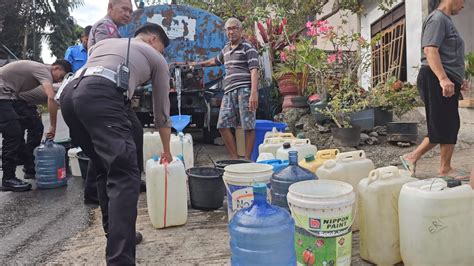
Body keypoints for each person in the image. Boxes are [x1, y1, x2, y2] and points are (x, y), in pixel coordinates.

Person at [59, 23, 172, 264]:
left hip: (70, 95)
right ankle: (120, 258)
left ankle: (119, 236)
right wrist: (167, 150)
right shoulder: (156, 58)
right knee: (125, 175)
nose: (161, 54)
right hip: (102, 93)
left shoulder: (106, 44)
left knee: (103, 166)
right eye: (162, 48)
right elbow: (162, 114)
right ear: (153, 40)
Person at [400, 0, 469, 179]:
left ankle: (415, 158)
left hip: (442, 78)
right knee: (444, 125)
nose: (464, 6)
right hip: (434, 78)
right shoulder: (438, 19)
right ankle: (439, 167)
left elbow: (447, 55)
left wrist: (457, 79)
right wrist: (443, 78)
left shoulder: (445, 20)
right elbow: (430, 50)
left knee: (446, 124)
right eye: (464, 1)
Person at [86, 0, 146, 205]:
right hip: (106, 89)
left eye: (130, 11)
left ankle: (95, 191)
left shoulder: (111, 28)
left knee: (105, 141)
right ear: (110, 8)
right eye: (124, 9)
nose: (128, 14)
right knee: (132, 133)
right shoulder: (105, 27)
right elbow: (110, 54)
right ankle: (126, 183)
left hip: (105, 88)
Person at [191, 18, 259, 160]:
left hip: (244, 90)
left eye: (234, 28)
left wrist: (254, 92)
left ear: (240, 30)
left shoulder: (248, 46)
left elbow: (254, 70)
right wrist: (197, 64)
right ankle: (234, 159)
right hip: (228, 91)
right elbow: (214, 61)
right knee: (222, 125)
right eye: (228, 29)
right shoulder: (226, 49)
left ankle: (247, 159)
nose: (231, 31)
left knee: (248, 126)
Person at [0, 60, 71, 191]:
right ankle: (8, 178)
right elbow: (51, 98)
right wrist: (53, 127)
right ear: (55, 68)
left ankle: (27, 166)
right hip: (4, 94)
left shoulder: (41, 70)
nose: (58, 80)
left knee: (25, 129)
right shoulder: (45, 72)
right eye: (60, 76)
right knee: (13, 134)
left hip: (9, 96)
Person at [15, 83, 61, 179]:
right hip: (17, 101)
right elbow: (52, 102)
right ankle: (30, 167)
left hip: (22, 101)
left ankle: (28, 164)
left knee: (25, 131)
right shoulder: (62, 90)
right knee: (35, 129)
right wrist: (53, 127)